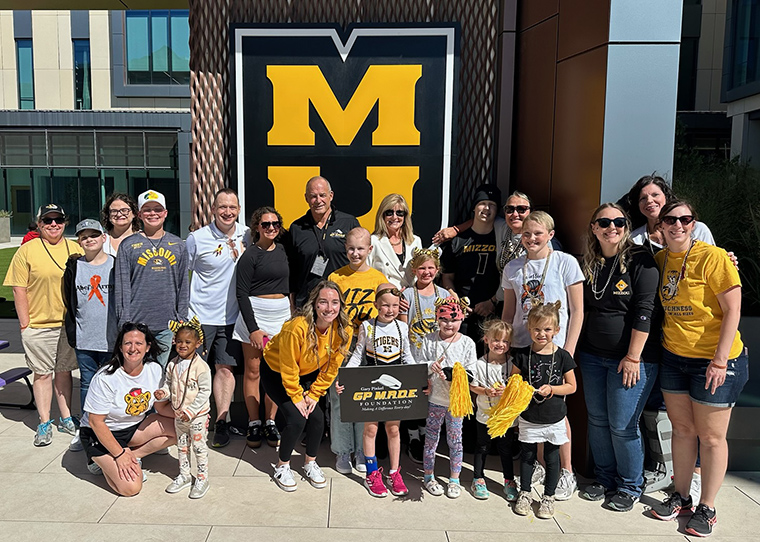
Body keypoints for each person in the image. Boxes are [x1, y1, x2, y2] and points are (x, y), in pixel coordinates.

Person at [649, 200, 747, 537]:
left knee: (712, 437)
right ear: (660, 225)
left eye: (685, 219)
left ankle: (708, 507)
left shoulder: (714, 257)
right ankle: (681, 496)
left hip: (715, 360)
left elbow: (733, 311)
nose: (677, 225)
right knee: (682, 430)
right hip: (675, 357)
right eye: (670, 220)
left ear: (693, 224)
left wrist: (720, 360)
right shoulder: (661, 260)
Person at [576, 204, 660, 512]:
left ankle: (629, 486)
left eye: (619, 221)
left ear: (626, 226)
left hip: (631, 359)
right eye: (605, 222)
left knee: (623, 425)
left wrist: (633, 356)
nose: (613, 227)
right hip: (592, 356)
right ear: (594, 228)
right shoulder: (589, 262)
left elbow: (645, 311)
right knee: (597, 420)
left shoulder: (640, 261)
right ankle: (605, 479)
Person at [501, 210, 584, 500]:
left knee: (556, 412)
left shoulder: (565, 262)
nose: (532, 238)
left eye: (538, 233)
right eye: (526, 233)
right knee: (530, 408)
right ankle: (538, 464)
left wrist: (568, 350)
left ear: (550, 234)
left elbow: (577, 311)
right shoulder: (513, 267)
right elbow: (509, 312)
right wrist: (505, 347)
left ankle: (566, 472)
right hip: (524, 349)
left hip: (554, 349)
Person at [260, 280, 353, 492]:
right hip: (276, 370)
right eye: (323, 302)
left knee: (317, 417)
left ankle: (310, 462)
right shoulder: (297, 327)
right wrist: (296, 397)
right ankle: (282, 466)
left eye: (335, 302)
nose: (329, 308)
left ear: (341, 306)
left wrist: (314, 394)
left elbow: (332, 366)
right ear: (314, 304)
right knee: (296, 418)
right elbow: (288, 366)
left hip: (307, 371)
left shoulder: (344, 330)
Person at [4, 204, 83, 447]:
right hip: (38, 325)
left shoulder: (75, 248)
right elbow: (19, 289)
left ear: (65, 222)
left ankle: (67, 417)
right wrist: (25, 324)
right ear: (39, 224)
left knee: (64, 371)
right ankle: (44, 422)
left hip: (67, 324)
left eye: (58, 220)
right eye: (47, 221)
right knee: (42, 374)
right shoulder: (27, 250)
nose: (53, 225)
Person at [79, 322, 177, 497]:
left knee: (182, 428)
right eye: (127, 343)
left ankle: (133, 455)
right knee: (131, 488)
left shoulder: (154, 370)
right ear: (120, 347)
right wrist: (118, 454)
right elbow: (96, 422)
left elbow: (160, 407)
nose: (133, 348)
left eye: (139, 343)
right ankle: (99, 461)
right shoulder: (106, 377)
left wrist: (189, 416)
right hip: (99, 434)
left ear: (147, 347)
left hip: (131, 429)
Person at [186, 188, 249, 449]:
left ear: (238, 210)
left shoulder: (247, 235)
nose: (227, 212)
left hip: (233, 318)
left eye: (232, 207)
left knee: (226, 369)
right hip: (200, 317)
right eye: (222, 207)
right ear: (213, 210)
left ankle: (222, 421)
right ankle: (193, 420)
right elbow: (182, 277)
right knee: (194, 372)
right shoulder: (196, 239)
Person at [342, 284, 416, 497]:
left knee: (393, 430)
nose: (390, 310)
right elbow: (357, 355)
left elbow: (407, 357)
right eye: (385, 305)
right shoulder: (367, 326)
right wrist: (346, 376)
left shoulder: (402, 327)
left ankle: (394, 472)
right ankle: (372, 473)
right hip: (372, 382)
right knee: (371, 430)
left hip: (396, 384)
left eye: (394, 305)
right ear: (376, 305)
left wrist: (419, 376)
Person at [328, 227, 388, 473]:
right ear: (345, 249)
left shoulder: (378, 280)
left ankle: (363, 451)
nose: (355, 253)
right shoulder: (335, 277)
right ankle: (343, 451)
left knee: (365, 400)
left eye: (360, 248)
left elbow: (388, 311)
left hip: (368, 348)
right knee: (340, 398)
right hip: (341, 345)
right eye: (351, 248)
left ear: (369, 250)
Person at [511, 302, 577, 519]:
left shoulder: (563, 356)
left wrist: (552, 389)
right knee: (528, 456)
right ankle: (525, 493)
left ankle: (548, 498)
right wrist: (517, 388)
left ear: (557, 330)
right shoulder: (522, 355)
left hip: (554, 416)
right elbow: (513, 380)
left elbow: (572, 386)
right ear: (529, 329)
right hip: (529, 415)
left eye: (547, 329)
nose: (542, 334)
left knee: (551, 457)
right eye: (537, 329)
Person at [232, 206, 289, 449]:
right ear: (257, 227)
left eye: (275, 223)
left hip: (282, 317)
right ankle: (254, 421)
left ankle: (270, 421)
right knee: (253, 371)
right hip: (255, 316)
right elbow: (241, 294)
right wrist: (253, 328)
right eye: (266, 224)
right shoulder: (250, 256)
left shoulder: (285, 251)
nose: (271, 228)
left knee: (276, 373)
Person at [115, 190, 189, 367]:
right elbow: (122, 287)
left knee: (160, 374)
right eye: (147, 210)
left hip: (167, 325)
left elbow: (183, 286)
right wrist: (126, 324)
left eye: (157, 209)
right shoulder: (128, 245)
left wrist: (182, 320)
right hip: (137, 326)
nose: (153, 213)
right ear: (139, 214)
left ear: (165, 213)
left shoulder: (178, 245)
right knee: (135, 373)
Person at [63, 219, 118, 451]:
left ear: (103, 238)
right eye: (84, 237)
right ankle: (86, 429)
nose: (90, 240)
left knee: (110, 385)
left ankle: (111, 429)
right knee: (87, 384)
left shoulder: (115, 265)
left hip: (112, 338)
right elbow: (68, 299)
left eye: (94, 235)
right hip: (85, 338)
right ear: (79, 241)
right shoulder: (75, 267)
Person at [414, 296, 477, 499]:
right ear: (437, 319)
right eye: (444, 319)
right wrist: (430, 365)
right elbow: (420, 363)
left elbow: (471, 372)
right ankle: (428, 476)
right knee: (431, 438)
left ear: (462, 319)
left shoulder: (467, 343)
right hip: (435, 399)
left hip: (456, 402)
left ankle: (454, 478)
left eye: (454, 319)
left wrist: (453, 373)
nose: (449, 324)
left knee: (455, 439)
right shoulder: (430, 339)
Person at [440, 184, 509, 349]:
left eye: (492, 205)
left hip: (492, 311)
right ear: (474, 207)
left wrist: (492, 302)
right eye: (482, 203)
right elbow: (447, 277)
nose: (487, 208)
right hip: (461, 314)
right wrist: (455, 300)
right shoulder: (458, 241)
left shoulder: (501, 239)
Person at [398, 248, 449, 463]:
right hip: (414, 355)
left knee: (432, 399)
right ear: (414, 270)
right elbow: (402, 326)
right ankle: (413, 438)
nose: (426, 272)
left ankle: (426, 435)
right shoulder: (408, 294)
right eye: (422, 268)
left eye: (430, 268)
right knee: (414, 399)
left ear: (437, 270)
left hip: (436, 358)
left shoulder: (444, 295)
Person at [155, 318, 212, 499]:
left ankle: (202, 478)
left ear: (198, 343)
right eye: (179, 341)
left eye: (188, 342)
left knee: (199, 447)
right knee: (182, 447)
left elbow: (205, 392)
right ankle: (185, 475)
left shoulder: (201, 367)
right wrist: (162, 394)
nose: (183, 345)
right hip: (179, 415)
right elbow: (169, 384)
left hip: (196, 417)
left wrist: (191, 411)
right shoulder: (172, 364)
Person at [286, 176, 360, 308]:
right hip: (307, 303)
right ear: (306, 198)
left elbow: (360, 261)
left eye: (322, 195)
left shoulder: (349, 223)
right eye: (313, 196)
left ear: (331, 196)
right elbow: (292, 270)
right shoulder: (296, 228)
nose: (318, 200)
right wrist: (292, 303)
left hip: (343, 301)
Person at [470, 318, 516, 501]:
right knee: (482, 446)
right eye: (496, 340)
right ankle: (478, 478)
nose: (500, 345)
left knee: (506, 448)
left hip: (506, 417)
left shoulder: (513, 363)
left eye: (505, 341)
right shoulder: (479, 364)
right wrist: (486, 391)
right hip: (484, 414)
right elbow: (473, 386)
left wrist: (507, 390)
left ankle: (509, 480)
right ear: (486, 339)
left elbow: (518, 386)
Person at [622, 174, 714, 252]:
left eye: (655, 195)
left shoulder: (697, 230)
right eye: (643, 198)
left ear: (666, 197)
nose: (649, 201)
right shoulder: (634, 239)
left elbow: (713, 261)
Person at [366, 193, 422, 289]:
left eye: (399, 213)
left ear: (405, 217)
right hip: (385, 299)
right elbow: (367, 275)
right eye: (389, 213)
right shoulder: (373, 241)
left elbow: (419, 275)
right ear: (382, 215)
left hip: (410, 299)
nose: (394, 217)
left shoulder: (415, 241)